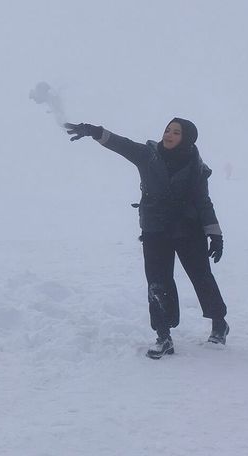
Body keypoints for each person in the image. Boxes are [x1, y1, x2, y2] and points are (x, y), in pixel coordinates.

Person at [65, 119, 229, 359]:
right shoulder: (148, 155)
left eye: (176, 132)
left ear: (187, 139)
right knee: (157, 283)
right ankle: (163, 336)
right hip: (156, 229)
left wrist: (215, 234)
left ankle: (219, 323)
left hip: (189, 230)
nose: (169, 135)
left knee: (201, 277)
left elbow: (203, 202)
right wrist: (95, 131)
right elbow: (122, 145)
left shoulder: (196, 167)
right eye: (167, 130)